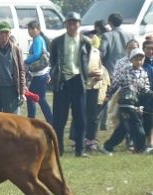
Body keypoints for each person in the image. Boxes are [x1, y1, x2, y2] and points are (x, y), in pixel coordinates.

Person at [49, 12, 93, 157]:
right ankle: (58, 149)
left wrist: (85, 76)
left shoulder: (85, 41)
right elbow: (53, 61)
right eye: (70, 23)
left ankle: (80, 150)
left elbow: (86, 60)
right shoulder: (57, 42)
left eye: (75, 23)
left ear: (79, 24)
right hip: (62, 82)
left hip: (78, 82)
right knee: (59, 119)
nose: (72, 26)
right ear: (65, 25)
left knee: (80, 118)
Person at [103, 48, 152, 154]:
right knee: (137, 124)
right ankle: (142, 148)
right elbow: (116, 83)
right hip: (126, 102)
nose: (139, 62)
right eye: (136, 59)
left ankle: (107, 146)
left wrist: (150, 93)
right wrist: (108, 94)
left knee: (123, 129)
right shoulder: (125, 70)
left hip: (136, 102)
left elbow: (145, 88)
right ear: (131, 60)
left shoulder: (143, 73)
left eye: (141, 59)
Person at [24, 21, 52, 123]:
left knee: (36, 97)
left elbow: (36, 54)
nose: (30, 31)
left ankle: (33, 119)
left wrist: (26, 61)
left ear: (38, 29)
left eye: (32, 29)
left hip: (40, 74)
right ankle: (47, 119)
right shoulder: (39, 39)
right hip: (41, 74)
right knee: (36, 97)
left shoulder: (37, 40)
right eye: (29, 29)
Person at [100, 13, 134, 78]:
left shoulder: (107, 36)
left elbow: (102, 53)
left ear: (110, 22)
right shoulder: (131, 35)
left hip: (112, 72)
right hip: (128, 71)